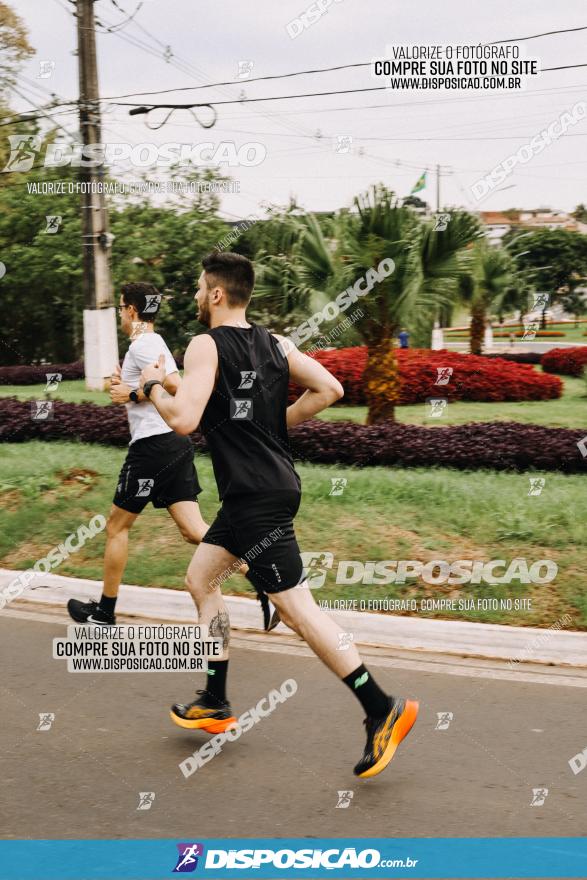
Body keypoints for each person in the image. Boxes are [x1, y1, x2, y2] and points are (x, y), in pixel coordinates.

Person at [139, 251, 418, 778]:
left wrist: (152, 384)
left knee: (297, 611)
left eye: (201, 289)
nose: (198, 297)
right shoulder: (275, 343)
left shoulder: (204, 344)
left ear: (217, 294)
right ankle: (215, 700)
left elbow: (184, 419)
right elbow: (329, 389)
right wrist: (273, 425)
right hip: (261, 491)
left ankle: (382, 708)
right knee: (201, 577)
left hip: (255, 498)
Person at [66, 282, 207, 626]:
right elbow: (148, 384)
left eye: (120, 308)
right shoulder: (149, 343)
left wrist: (131, 395)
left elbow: (174, 386)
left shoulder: (145, 344)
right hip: (174, 445)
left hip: (152, 448)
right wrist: (126, 388)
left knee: (116, 526)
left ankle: (104, 611)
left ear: (131, 311)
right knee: (193, 530)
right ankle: (266, 580)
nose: (119, 314)